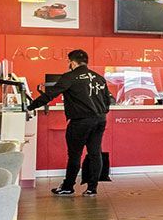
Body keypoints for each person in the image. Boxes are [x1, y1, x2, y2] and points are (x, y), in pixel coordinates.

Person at [29, 48, 112, 195]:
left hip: (81, 121)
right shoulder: (98, 77)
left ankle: (68, 187)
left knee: (75, 155)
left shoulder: (70, 77)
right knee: (95, 153)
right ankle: (92, 188)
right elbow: (108, 100)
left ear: (72, 63)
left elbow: (50, 95)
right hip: (100, 120)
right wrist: (101, 112)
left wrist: (30, 107)